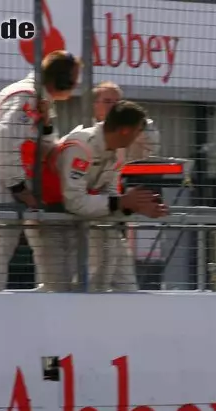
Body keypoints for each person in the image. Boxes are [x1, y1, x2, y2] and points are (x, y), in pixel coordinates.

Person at [0, 50, 79, 291]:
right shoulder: (26, 96)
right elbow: (4, 142)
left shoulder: (38, 99)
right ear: (62, 79)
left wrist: (46, 125)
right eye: (74, 78)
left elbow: (46, 148)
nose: (76, 85)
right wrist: (19, 187)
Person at [43, 100, 167, 291]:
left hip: (82, 217)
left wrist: (133, 206)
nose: (139, 142)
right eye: (137, 133)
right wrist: (123, 202)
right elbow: (75, 202)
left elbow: (107, 196)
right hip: (49, 217)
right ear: (125, 131)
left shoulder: (117, 152)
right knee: (59, 288)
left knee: (115, 279)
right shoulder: (81, 146)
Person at [85, 81, 161, 163]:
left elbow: (153, 145)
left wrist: (134, 122)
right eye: (107, 101)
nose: (113, 105)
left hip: (131, 171)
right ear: (95, 104)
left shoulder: (139, 125)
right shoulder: (85, 131)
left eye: (117, 101)